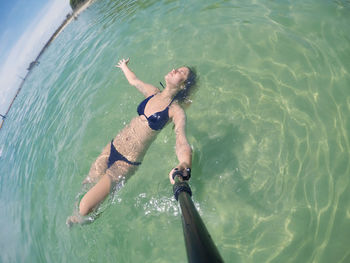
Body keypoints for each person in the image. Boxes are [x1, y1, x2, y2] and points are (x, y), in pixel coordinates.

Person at [67, 58, 197, 225]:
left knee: (84, 206)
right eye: (177, 68)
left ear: (183, 86)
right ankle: (79, 216)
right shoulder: (153, 92)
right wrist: (124, 67)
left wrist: (185, 162)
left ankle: (80, 219)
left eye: (181, 72)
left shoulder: (175, 111)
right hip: (113, 146)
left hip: (126, 162)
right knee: (87, 182)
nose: (174, 69)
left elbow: (181, 139)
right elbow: (134, 81)